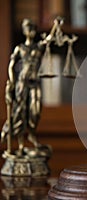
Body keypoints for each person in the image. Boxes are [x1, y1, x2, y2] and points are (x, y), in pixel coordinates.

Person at [1, 19, 44, 156]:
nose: (30, 30)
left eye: (32, 27)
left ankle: (31, 134)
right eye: (27, 27)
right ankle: (20, 145)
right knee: (20, 112)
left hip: (35, 82)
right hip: (22, 82)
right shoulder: (20, 48)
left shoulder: (38, 47)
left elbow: (49, 39)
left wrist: (56, 25)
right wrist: (12, 82)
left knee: (35, 110)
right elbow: (11, 66)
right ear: (24, 31)